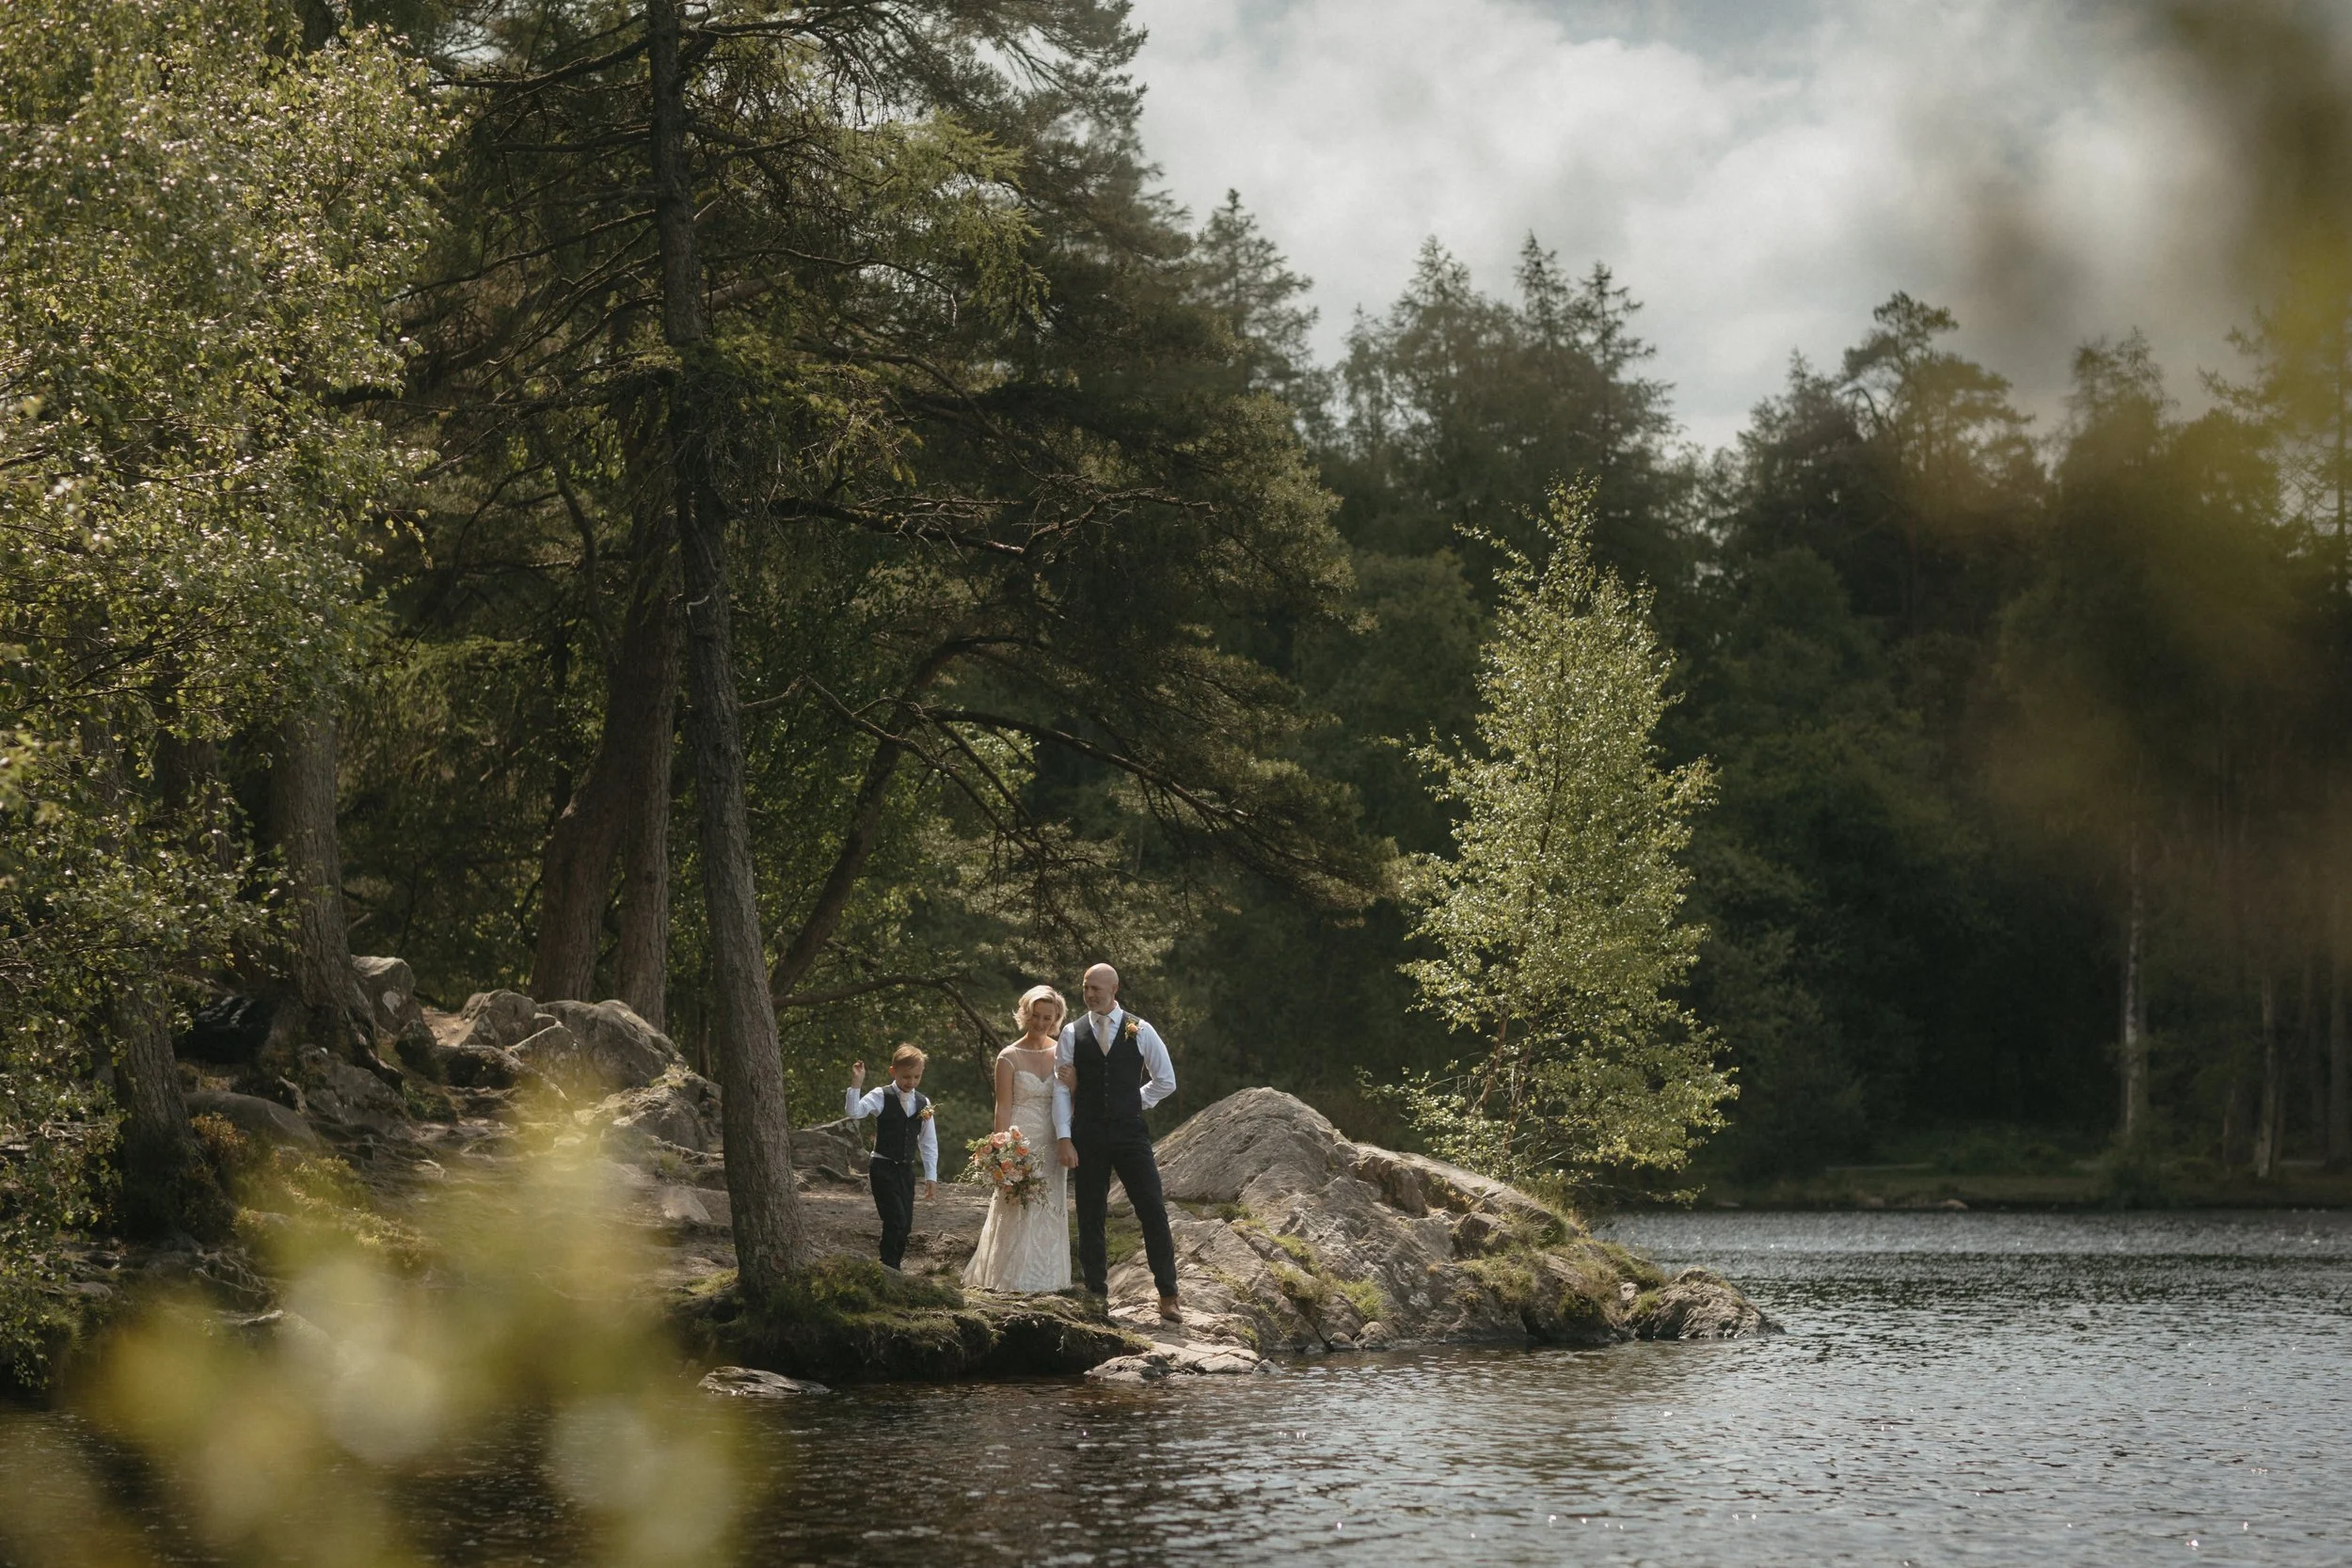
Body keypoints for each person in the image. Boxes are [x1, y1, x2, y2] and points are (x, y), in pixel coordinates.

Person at [1052, 963, 1183, 1321]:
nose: (1090, 993)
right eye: (1085, 987)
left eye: (1096, 988)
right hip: (1088, 1133)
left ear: (1115, 988)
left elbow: (1165, 1081)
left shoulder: (1140, 1029)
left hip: (1130, 1133)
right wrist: (1065, 1137)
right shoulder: (1071, 1033)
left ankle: (1168, 1295)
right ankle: (1096, 1294)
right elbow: (1062, 1091)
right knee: (1091, 1214)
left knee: (1152, 1209)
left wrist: (1132, 1101)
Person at [961, 985, 1073, 1293]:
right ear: (1025, 1014)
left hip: (1052, 1142)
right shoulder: (1008, 1057)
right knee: (1016, 1205)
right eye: (1035, 1015)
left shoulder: (1062, 1052)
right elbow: (1004, 1106)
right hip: (1020, 1140)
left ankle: (1048, 1281)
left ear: (1056, 1018)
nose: (1040, 1022)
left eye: (1047, 1017)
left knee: (1049, 1206)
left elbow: (1070, 1099)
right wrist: (1003, 1152)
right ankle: (1008, 1279)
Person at [845, 1044, 936, 1270]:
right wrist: (857, 1084)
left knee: (905, 1224)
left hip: (906, 1170)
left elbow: (928, 1142)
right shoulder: (881, 1095)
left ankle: (894, 1264)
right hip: (883, 1167)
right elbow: (854, 1112)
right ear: (893, 1071)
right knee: (894, 1218)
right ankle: (888, 1265)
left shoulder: (923, 1103)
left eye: (917, 1077)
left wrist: (931, 1175)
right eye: (906, 1077)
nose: (911, 1082)